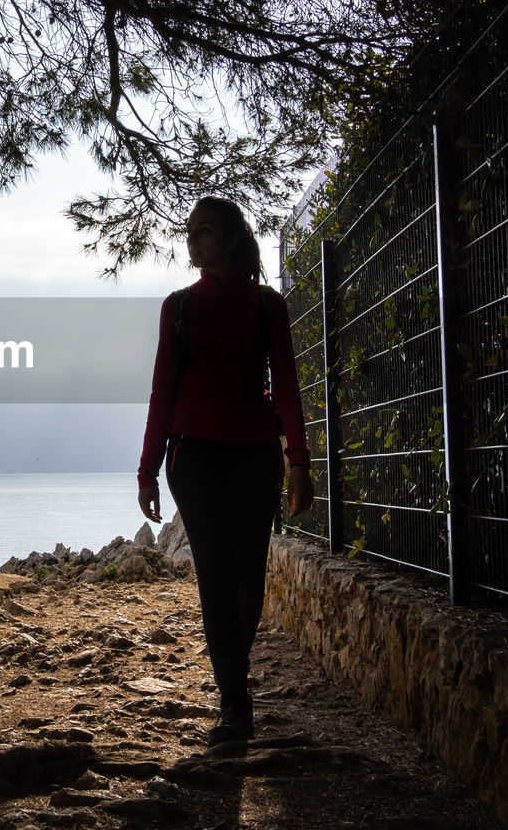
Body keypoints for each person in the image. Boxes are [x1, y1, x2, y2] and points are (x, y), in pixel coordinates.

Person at [137, 195, 314, 747]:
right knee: (216, 576)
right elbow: (162, 389)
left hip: (256, 454)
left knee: (248, 577)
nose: (193, 241)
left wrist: (298, 463)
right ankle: (235, 703)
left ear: (232, 238)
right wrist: (147, 471)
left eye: (205, 231)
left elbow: (286, 384)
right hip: (193, 457)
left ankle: (233, 684)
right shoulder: (178, 307)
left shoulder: (267, 306)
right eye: (190, 232)